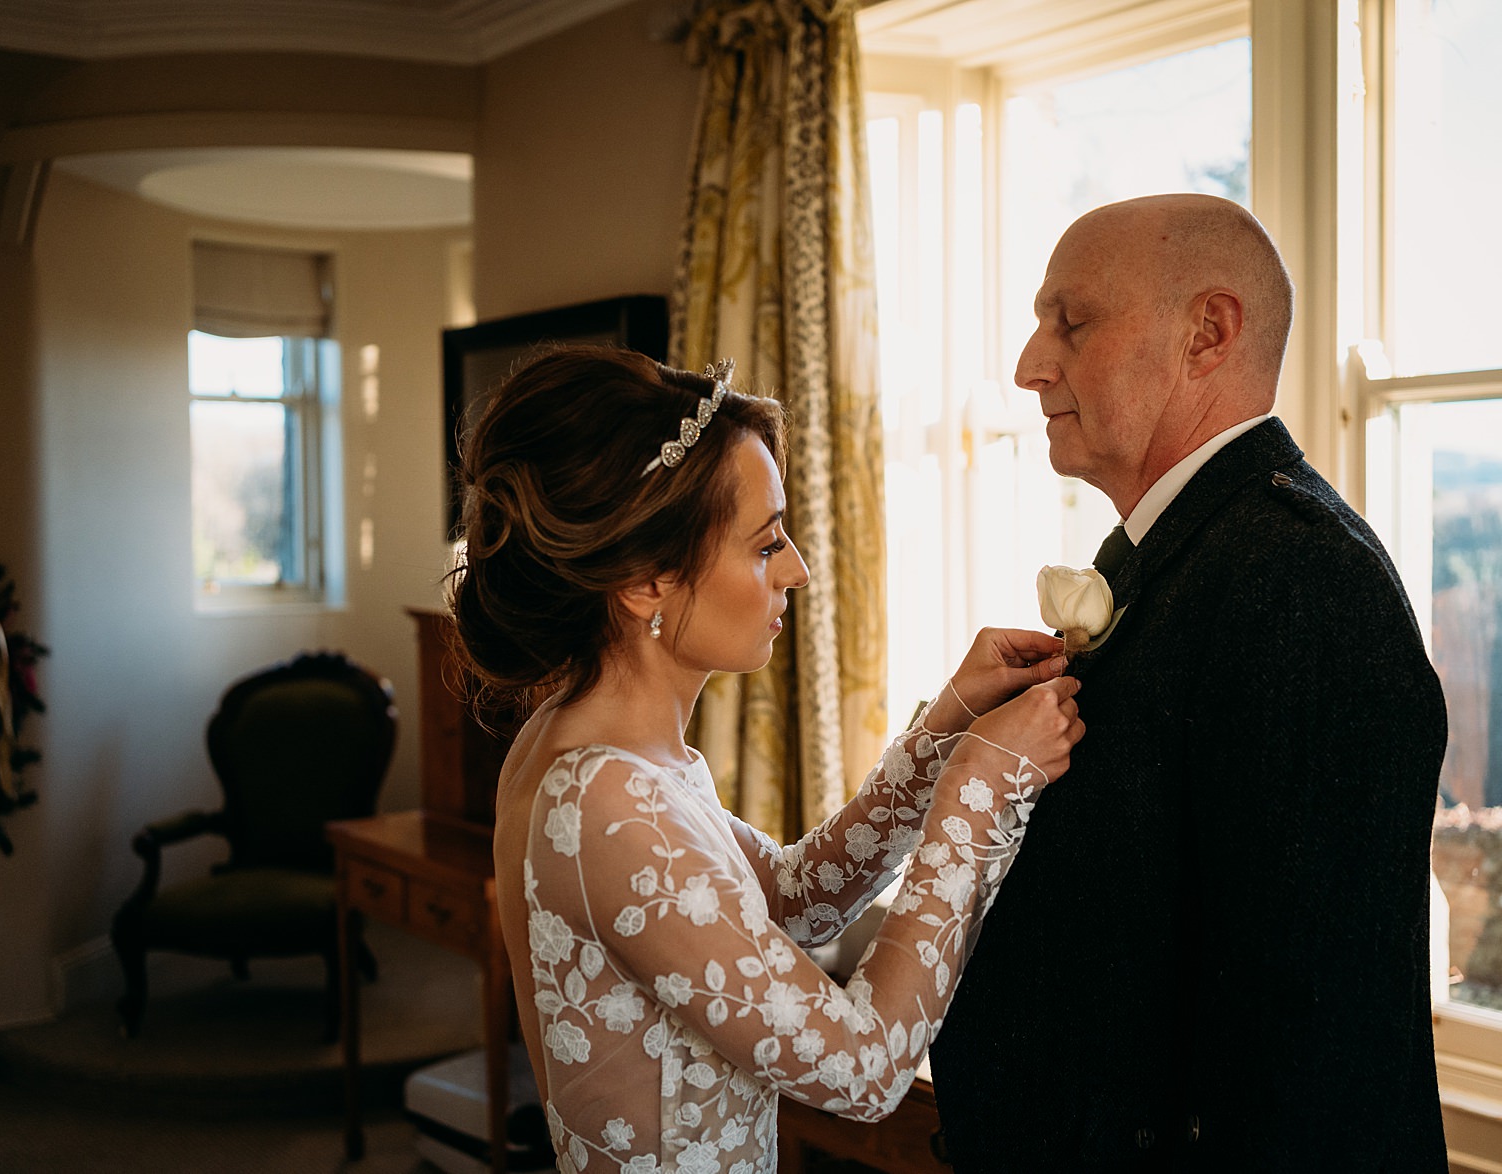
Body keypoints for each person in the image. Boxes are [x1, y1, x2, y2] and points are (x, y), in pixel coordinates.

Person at [449, 345, 1085, 1174]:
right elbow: (863, 1068)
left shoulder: (596, 749)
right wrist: (976, 795)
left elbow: (786, 899)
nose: (800, 569)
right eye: (764, 545)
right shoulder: (602, 801)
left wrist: (947, 727)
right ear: (647, 581)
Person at [931, 194, 1449, 1170]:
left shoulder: (1299, 578)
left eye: (1068, 322)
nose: (1027, 365)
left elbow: (1300, 1027)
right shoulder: (1172, 547)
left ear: (1206, 333)